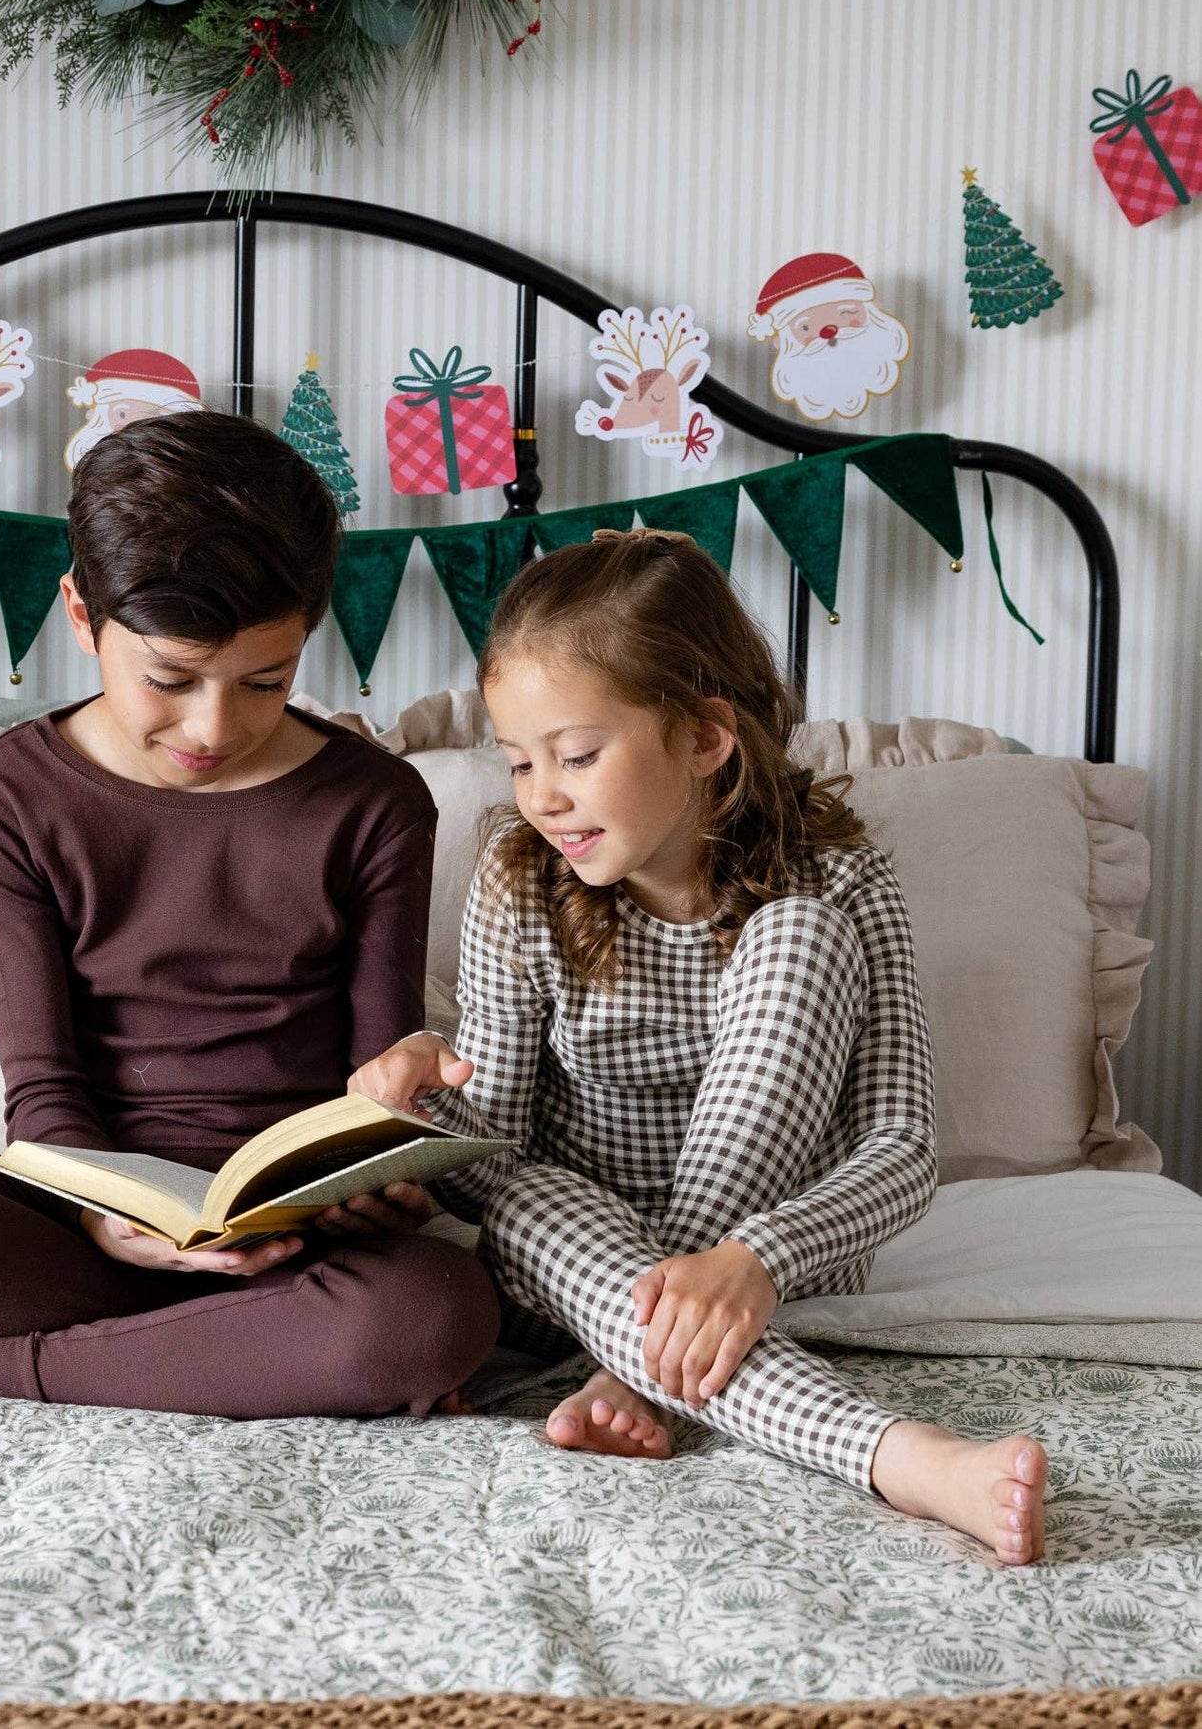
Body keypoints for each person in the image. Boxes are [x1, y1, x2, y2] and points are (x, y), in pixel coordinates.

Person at [0, 412, 499, 1416]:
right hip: (72, 1227)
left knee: (432, 1312)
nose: (213, 724)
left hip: (292, 1248)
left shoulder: (373, 802)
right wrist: (100, 1211)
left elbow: (374, 1083)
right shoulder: (7, 795)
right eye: (168, 678)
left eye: (264, 680)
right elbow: (42, 1083)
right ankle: (203, 1353)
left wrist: (382, 1169)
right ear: (80, 614)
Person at [350, 529, 1049, 1564]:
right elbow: (489, 1149)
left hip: (775, 1267)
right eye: (518, 761)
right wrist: (414, 1094)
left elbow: (900, 1150)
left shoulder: (839, 883)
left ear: (703, 735)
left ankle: (641, 1372)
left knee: (795, 930)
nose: (542, 794)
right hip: (571, 1273)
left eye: (576, 756)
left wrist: (749, 1258)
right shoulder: (518, 882)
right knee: (529, 1193)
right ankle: (905, 1455)